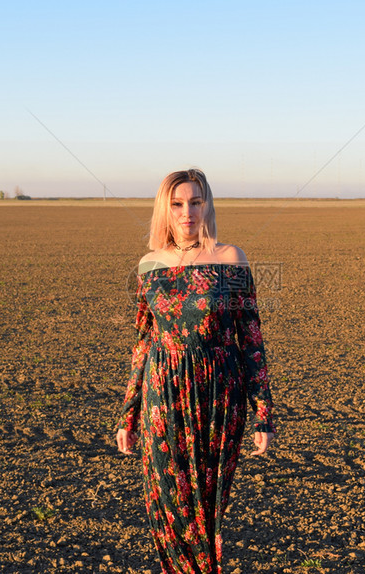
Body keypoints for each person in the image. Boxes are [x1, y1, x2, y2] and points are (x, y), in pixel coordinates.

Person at [116, 168, 276, 573]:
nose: (187, 212)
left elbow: (251, 339)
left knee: (206, 513)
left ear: (207, 205)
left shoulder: (230, 259)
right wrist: (129, 413)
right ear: (164, 210)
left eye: (195, 201)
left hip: (219, 398)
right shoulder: (149, 266)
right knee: (170, 509)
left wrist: (263, 413)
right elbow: (142, 344)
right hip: (162, 396)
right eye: (177, 204)